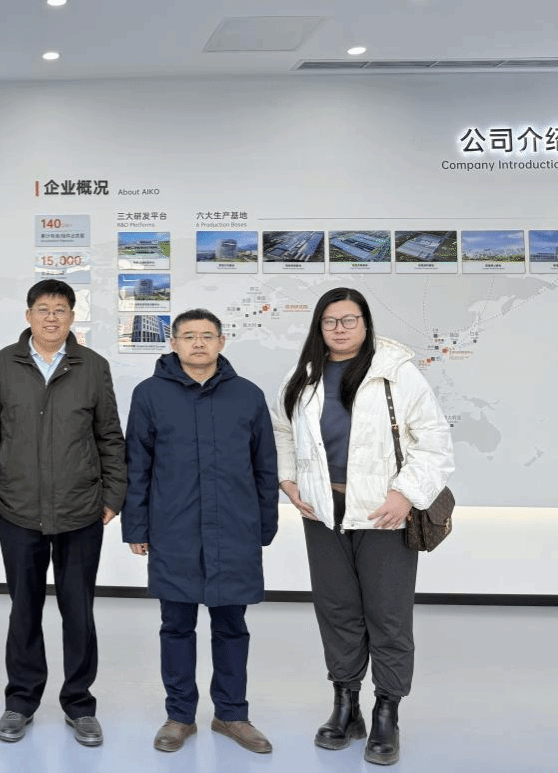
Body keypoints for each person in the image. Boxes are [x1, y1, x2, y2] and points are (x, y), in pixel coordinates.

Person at [272, 287, 454, 766]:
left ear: (366, 324)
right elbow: (283, 431)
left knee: (388, 616)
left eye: (349, 319)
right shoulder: (302, 375)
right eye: (330, 321)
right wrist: (288, 481)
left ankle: (387, 711)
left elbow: (434, 441)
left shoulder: (397, 372)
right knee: (337, 611)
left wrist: (405, 494)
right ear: (319, 326)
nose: (340, 328)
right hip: (323, 513)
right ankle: (346, 705)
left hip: (384, 514)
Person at [123, 309, 278, 756]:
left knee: (231, 626)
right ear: (173, 343)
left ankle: (232, 714)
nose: (198, 343)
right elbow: (138, 466)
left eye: (207, 336)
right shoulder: (149, 394)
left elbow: (265, 466)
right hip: (174, 530)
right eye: (188, 336)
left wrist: (264, 524)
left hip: (234, 530)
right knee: (176, 626)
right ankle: (179, 716)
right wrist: (137, 525)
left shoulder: (247, 395)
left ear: (221, 342)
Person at [0, 279, 126, 748]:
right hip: (18, 508)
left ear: (71, 317)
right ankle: (20, 701)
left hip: (80, 510)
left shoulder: (92, 366)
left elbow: (109, 435)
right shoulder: (2, 364)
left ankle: (79, 704)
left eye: (60, 309)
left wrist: (113, 496)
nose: (51, 317)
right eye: (42, 309)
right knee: (23, 609)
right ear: (28, 316)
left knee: (78, 610)